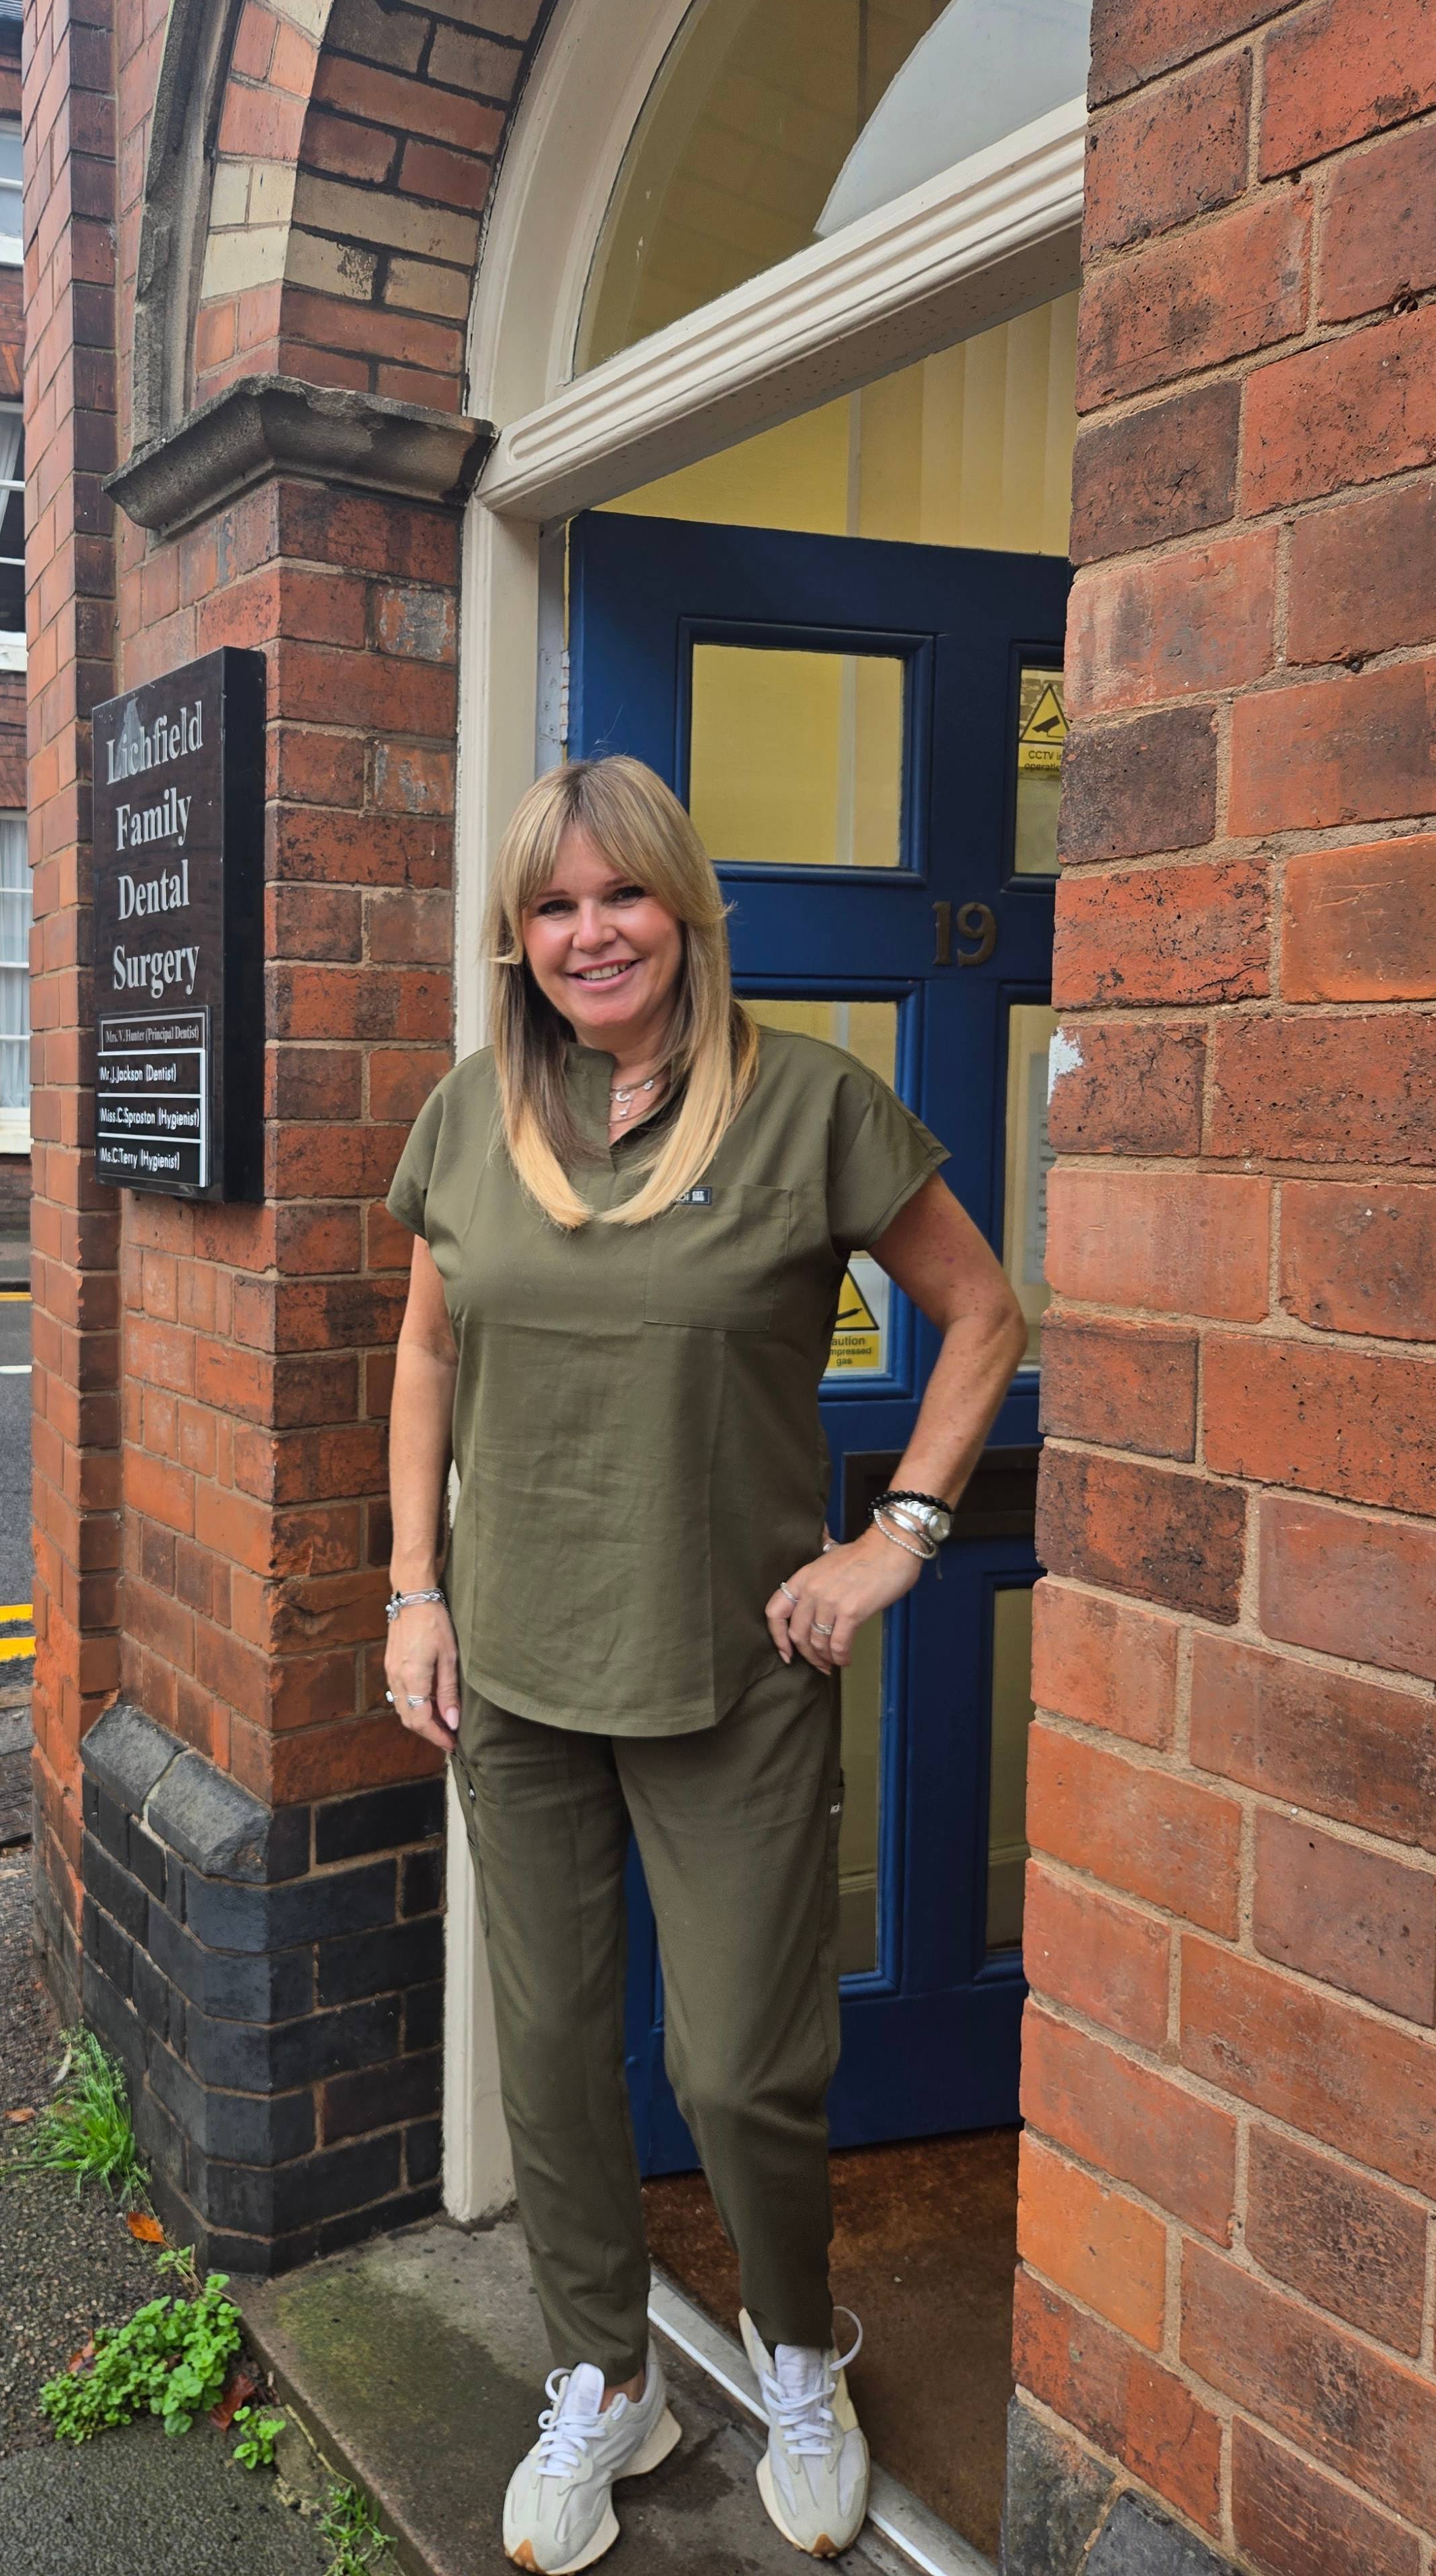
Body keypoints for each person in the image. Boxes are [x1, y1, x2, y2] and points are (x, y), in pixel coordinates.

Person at [382, 756, 1026, 2571]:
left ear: (684, 913)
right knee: (557, 2054)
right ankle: (604, 2374)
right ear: (517, 939)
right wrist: (411, 1592)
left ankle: (794, 2344)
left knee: (745, 2068)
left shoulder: (810, 1108)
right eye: (555, 907)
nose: (591, 932)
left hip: (733, 1670)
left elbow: (983, 1315)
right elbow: (430, 1356)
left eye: (623, 897)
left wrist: (894, 1539)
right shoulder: (474, 1118)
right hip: (510, 1674)